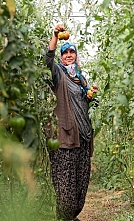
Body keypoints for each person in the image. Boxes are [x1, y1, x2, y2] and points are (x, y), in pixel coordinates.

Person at [44, 24, 98, 221]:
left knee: (80, 185)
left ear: (76, 56)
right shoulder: (58, 72)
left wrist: (90, 97)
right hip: (65, 137)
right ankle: (65, 217)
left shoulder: (81, 79)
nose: (68, 55)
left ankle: (70, 217)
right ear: (61, 56)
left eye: (71, 52)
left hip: (83, 138)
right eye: (65, 52)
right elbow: (47, 61)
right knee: (65, 185)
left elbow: (83, 102)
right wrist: (55, 37)